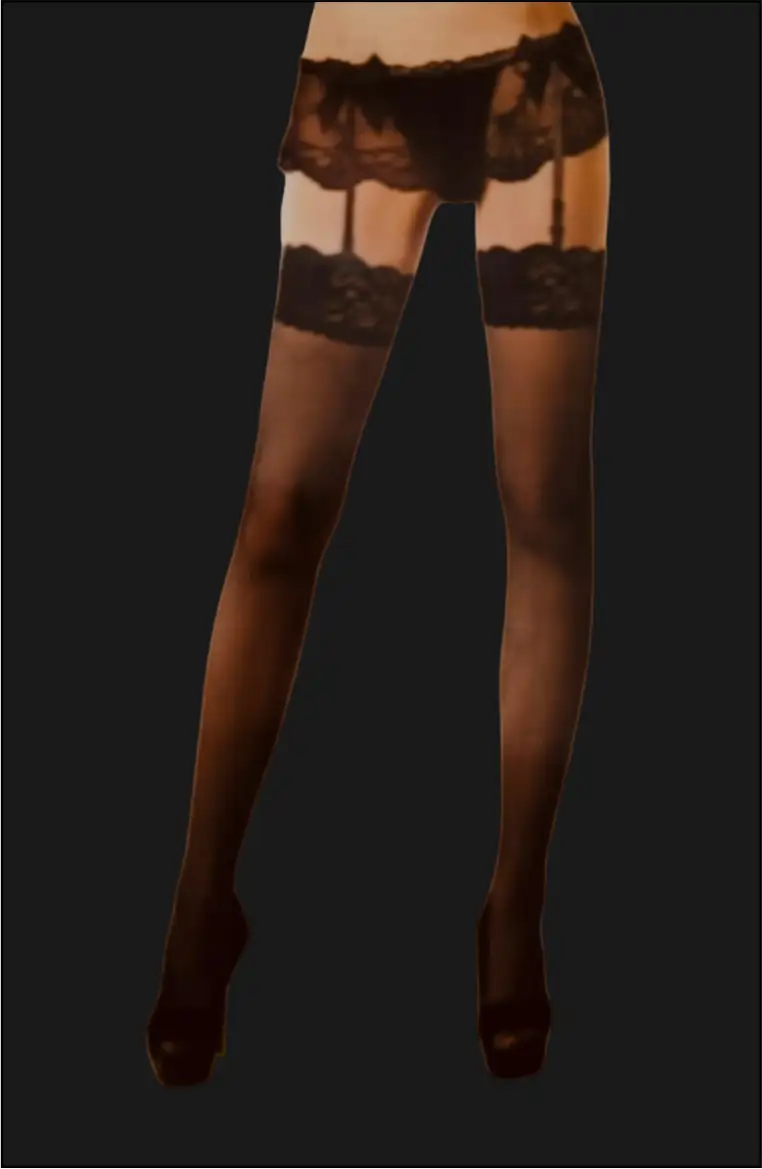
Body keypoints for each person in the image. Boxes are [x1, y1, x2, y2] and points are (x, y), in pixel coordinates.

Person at [147, 0, 610, 1086]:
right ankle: (200, 902)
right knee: (281, 507)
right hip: (361, 82)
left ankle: (516, 908)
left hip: (535, 77)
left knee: (545, 502)